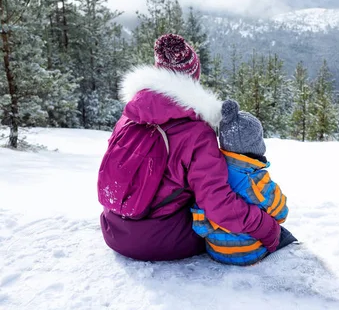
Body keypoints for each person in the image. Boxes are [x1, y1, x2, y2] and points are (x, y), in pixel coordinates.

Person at [98, 33, 281, 261]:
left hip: (112, 228)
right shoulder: (196, 133)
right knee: (225, 229)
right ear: (193, 77)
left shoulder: (130, 116)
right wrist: (268, 228)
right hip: (159, 240)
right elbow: (218, 203)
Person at [191, 99, 297, 266]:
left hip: (215, 251)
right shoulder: (256, 180)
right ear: (256, 145)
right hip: (249, 253)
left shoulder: (212, 176)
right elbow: (281, 213)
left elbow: (200, 223)